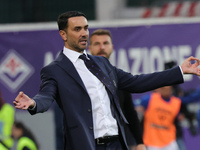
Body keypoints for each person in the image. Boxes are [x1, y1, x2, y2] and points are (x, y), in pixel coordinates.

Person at [13, 11, 200, 150]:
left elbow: (137, 82)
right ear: (63, 34)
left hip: (117, 143)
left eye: (86, 28)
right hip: (87, 145)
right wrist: (33, 104)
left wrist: (180, 71)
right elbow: (46, 97)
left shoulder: (101, 63)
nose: (84, 33)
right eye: (77, 29)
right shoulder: (54, 69)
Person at [89, 29, 145, 150]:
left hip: (116, 144)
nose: (102, 47)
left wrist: (139, 142)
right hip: (89, 143)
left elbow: (129, 112)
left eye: (105, 43)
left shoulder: (119, 77)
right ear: (89, 48)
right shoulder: (82, 78)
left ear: (112, 47)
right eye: (97, 44)